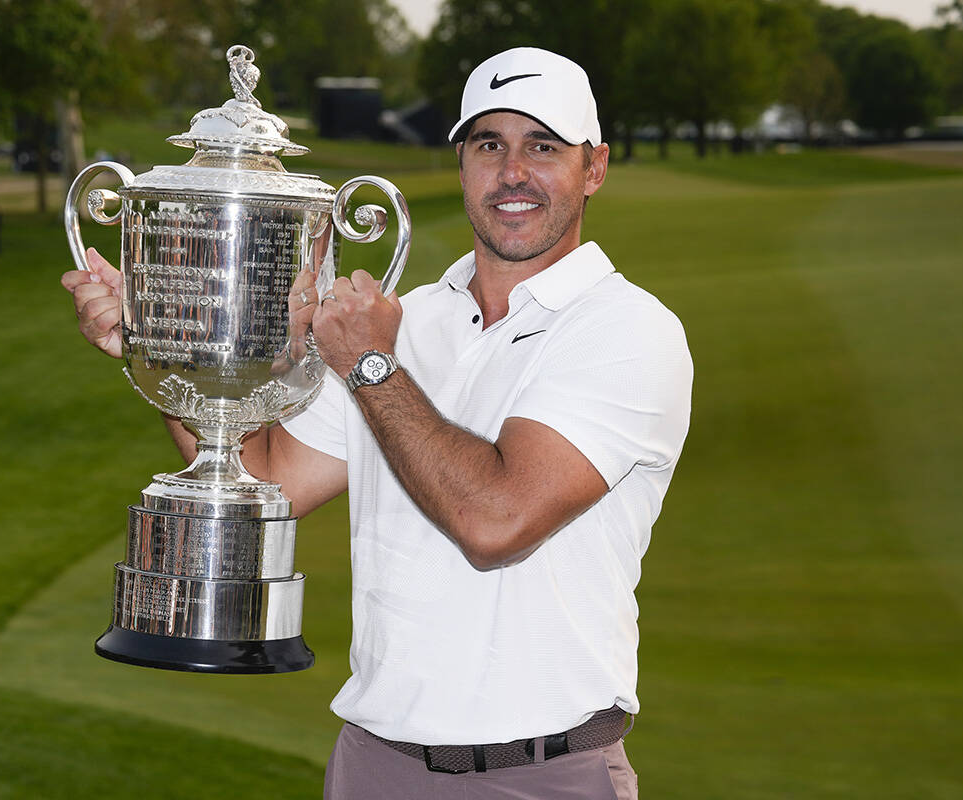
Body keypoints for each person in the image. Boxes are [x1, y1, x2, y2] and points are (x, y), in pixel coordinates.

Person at [63, 47, 692, 800]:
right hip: (374, 766)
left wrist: (370, 367)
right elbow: (269, 481)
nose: (513, 172)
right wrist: (165, 351)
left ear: (594, 168)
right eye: (489, 144)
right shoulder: (411, 319)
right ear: (462, 164)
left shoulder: (626, 329)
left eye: (544, 147)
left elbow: (495, 520)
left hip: (541, 777)